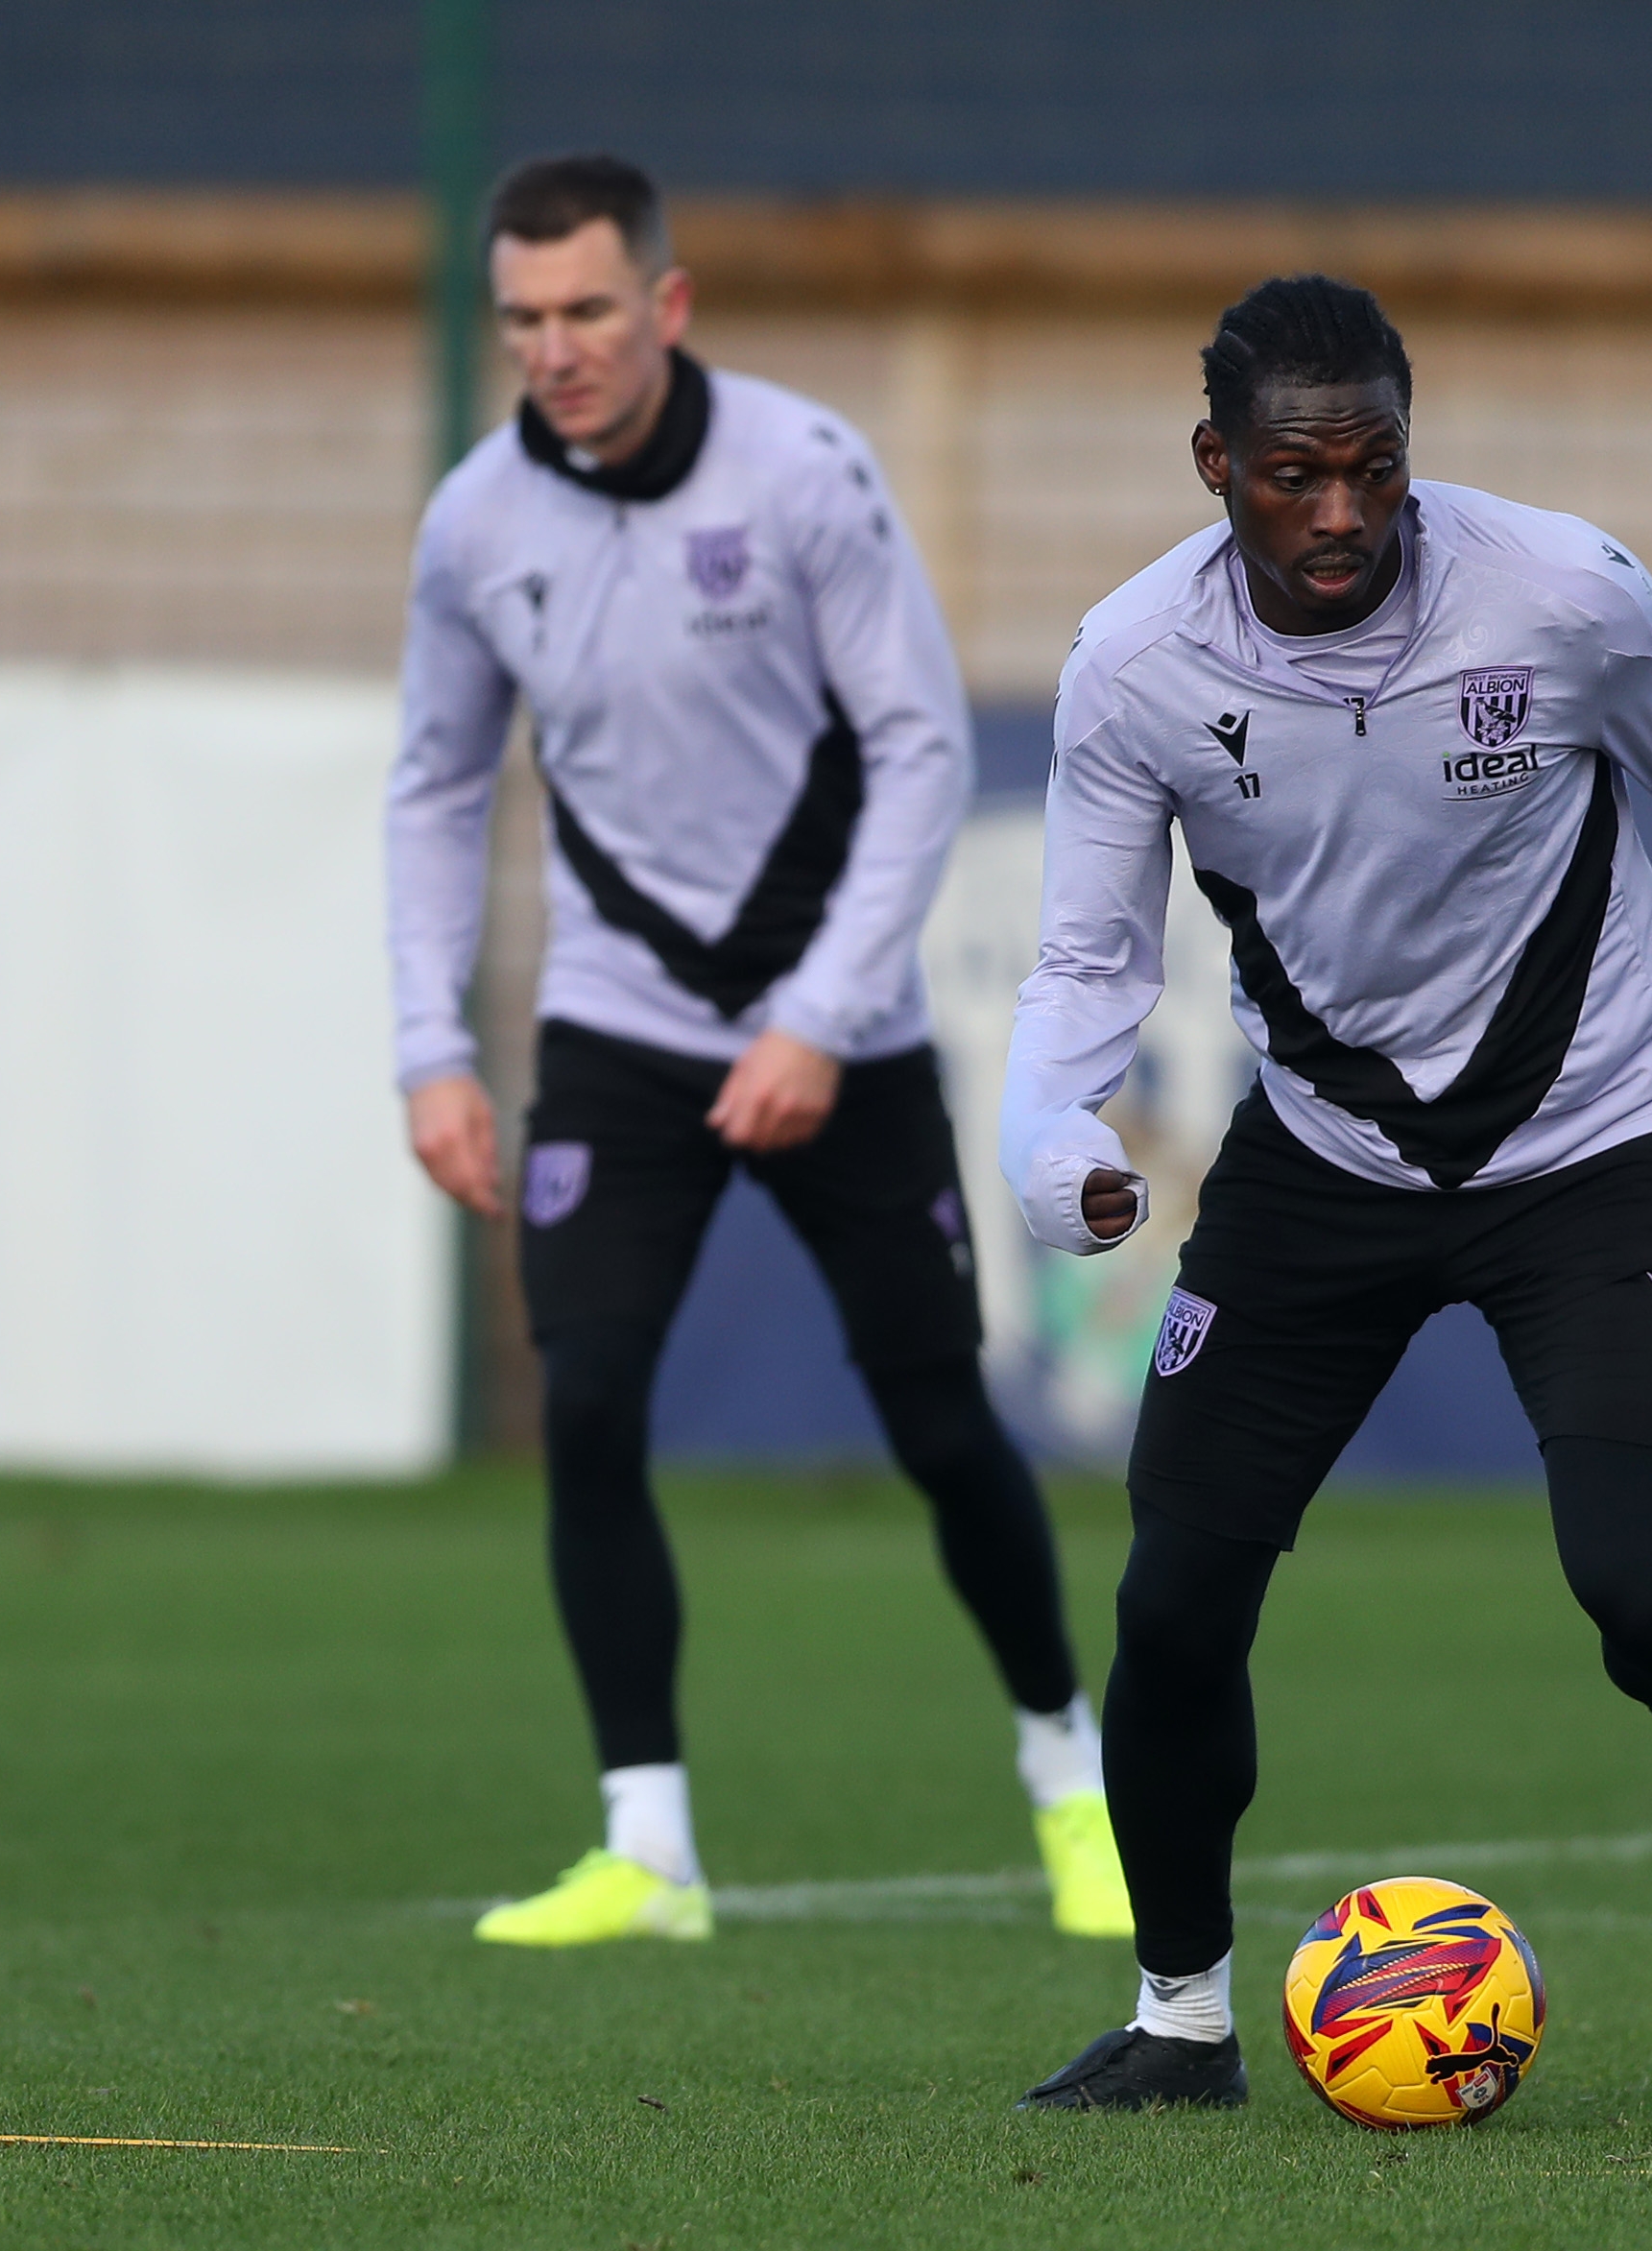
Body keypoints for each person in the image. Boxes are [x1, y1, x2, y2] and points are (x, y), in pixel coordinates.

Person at [1000, 275, 1652, 2110]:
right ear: (1215, 463)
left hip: (1588, 1147)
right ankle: (1184, 2021)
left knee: (1639, 1587)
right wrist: (1056, 1148)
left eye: (1372, 466)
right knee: (1172, 1605)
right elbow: (1080, 963)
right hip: (1323, 1163)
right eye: (1291, 473)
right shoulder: (1133, 665)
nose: (1338, 514)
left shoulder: (1563, 598)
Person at [384, 154, 1127, 1948]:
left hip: (843, 1030)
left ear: (668, 304)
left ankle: (1074, 1783)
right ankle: (651, 1850)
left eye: (588, 311)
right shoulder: (475, 522)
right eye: (525, 321)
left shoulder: (801, 477)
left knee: (942, 1422)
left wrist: (813, 1013)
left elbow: (922, 750)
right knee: (586, 1400)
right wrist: (430, 1046)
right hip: (619, 1031)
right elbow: (434, 783)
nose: (555, 349)